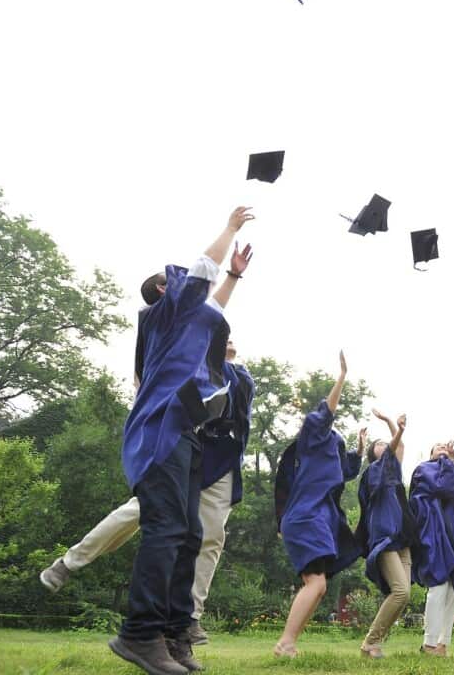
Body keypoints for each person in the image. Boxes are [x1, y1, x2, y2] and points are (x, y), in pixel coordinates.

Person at [109, 206, 254, 675]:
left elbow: (213, 305)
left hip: (186, 435)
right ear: (163, 292)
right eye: (181, 282)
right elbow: (200, 275)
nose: (197, 286)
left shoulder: (185, 325)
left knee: (189, 533)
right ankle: (139, 634)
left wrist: (233, 276)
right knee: (167, 529)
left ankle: (173, 635)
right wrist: (230, 229)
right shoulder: (160, 316)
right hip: (160, 433)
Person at [41, 338, 256, 647]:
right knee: (139, 510)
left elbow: (233, 405)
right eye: (223, 336)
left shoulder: (242, 376)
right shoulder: (190, 364)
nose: (230, 340)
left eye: (232, 337)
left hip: (222, 460)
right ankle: (69, 563)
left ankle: (189, 619)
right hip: (182, 449)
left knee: (212, 537)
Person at [273, 351, 363, 658]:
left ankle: (289, 643)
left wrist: (360, 448)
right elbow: (325, 412)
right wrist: (341, 378)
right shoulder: (311, 432)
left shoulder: (330, 449)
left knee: (319, 586)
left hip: (318, 519)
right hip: (305, 517)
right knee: (315, 583)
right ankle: (285, 642)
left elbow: (348, 471)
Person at [408, 439, 454, 657]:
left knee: (453, 590)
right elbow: (446, 488)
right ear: (430, 453)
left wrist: (453, 462)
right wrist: (449, 462)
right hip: (433, 533)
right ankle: (429, 643)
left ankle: (443, 644)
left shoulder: (452, 469)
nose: (442, 447)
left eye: (445, 446)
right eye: (437, 446)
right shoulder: (424, 469)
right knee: (438, 585)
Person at [355, 409, 413, 658]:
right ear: (372, 454)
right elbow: (393, 449)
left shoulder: (394, 471)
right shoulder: (372, 473)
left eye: (384, 442)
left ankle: (374, 643)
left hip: (403, 539)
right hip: (384, 536)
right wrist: (396, 429)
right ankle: (370, 642)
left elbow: (398, 449)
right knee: (400, 591)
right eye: (378, 444)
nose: (384, 445)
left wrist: (393, 424)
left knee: (402, 596)